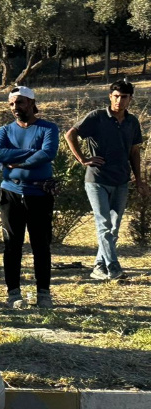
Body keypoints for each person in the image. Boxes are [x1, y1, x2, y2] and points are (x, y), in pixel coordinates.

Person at [64, 80, 145, 281]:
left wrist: (139, 179)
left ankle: (99, 266)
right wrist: (82, 159)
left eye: (124, 97)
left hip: (122, 180)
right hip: (97, 179)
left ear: (130, 99)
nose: (119, 100)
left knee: (114, 227)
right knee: (104, 225)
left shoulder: (132, 122)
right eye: (116, 96)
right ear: (110, 97)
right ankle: (114, 267)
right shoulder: (97, 117)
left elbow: (134, 151)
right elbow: (70, 134)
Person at [0, 85, 59, 310]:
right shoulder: (4, 131)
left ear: (31, 103)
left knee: (41, 245)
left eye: (19, 102)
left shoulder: (48, 129)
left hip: (39, 193)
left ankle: (44, 294)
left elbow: (48, 153)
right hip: (10, 192)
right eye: (11, 104)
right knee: (12, 245)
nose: (15, 108)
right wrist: (33, 153)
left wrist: (18, 161)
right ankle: (13, 294)